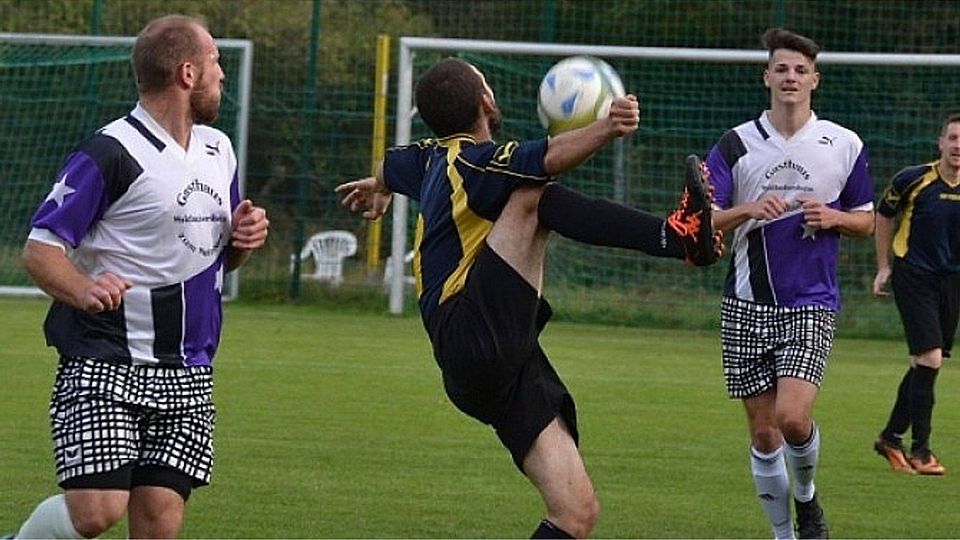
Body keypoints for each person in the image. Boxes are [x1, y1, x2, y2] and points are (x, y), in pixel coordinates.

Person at [336, 57, 721, 538]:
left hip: (490, 360)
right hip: (472, 333)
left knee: (576, 514)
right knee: (531, 196)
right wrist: (606, 127)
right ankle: (676, 237)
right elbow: (549, 158)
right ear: (486, 102)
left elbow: (390, 165)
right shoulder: (474, 160)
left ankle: (679, 237)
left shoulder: (428, 159)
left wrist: (380, 187)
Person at [11, 14, 268, 539]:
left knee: (158, 525)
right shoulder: (111, 151)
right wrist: (83, 288)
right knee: (96, 513)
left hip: (189, 368)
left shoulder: (219, 150)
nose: (223, 73)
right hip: (106, 360)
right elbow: (40, 250)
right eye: (215, 60)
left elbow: (213, 258)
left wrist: (240, 242)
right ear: (188, 74)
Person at [704, 28, 875, 539]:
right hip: (745, 302)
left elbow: (866, 220)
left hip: (810, 302)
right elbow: (703, 219)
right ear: (767, 77)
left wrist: (834, 217)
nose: (791, 77)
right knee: (763, 434)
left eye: (801, 70)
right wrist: (747, 210)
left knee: (793, 420)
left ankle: (807, 499)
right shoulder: (736, 143)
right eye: (782, 69)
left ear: (814, 80)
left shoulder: (843, 144)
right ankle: (785, 536)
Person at [870, 113, 960, 477]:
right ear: (940, 143)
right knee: (931, 359)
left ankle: (890, 438)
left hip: (952, 281)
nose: (958, 146)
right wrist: (884, 265)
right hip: (914, 274)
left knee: (924, 365)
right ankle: (921, 450)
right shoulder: (913, 179)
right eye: (953, 138)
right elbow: (883, 214)